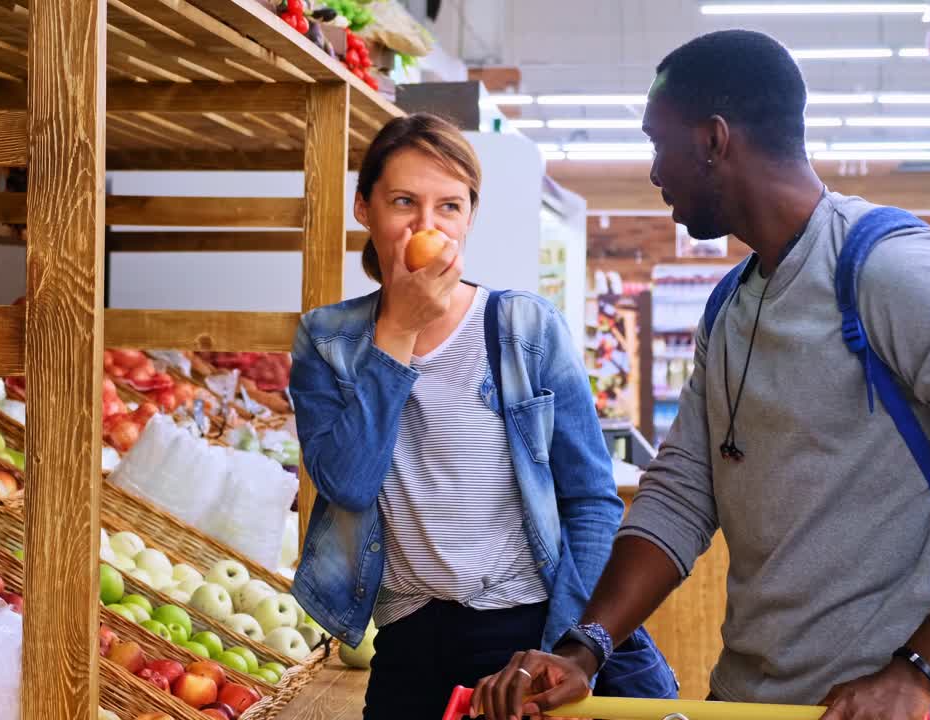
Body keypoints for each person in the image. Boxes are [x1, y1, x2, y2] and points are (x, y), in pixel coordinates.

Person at [474, 30, 930, 720]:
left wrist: (916, 672)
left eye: (659, 145)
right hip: (751, 698)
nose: (654, 173)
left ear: (714, 140)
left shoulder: (893, 272)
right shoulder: (733, 303)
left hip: (896, 708)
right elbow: (683, 494)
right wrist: (585, 646)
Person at [287, 113, 676, 719]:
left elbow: (592, 499)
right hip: (408, 635)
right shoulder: (328, 340)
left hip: (523, 630)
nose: (426, 225)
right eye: (403, 202)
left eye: (449, 206)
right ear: (364, 208)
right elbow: (348, 483)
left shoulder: (525, 328)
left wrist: (566, 646)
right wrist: (397, 332)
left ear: (469, 217)